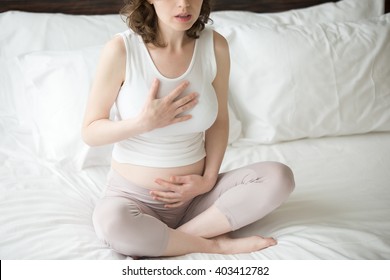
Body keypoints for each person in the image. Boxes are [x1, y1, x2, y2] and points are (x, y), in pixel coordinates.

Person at [82, 0, 295, 258]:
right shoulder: (121, 49)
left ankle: (167, 239)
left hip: (197, 199)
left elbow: (220, 121)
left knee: (278, 177)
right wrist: (143, 123)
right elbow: (90, 131)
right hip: (134, 200)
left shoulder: (215, 46)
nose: (184, 5)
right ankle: (211, 243)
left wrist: (207, 181)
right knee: (113, 223)